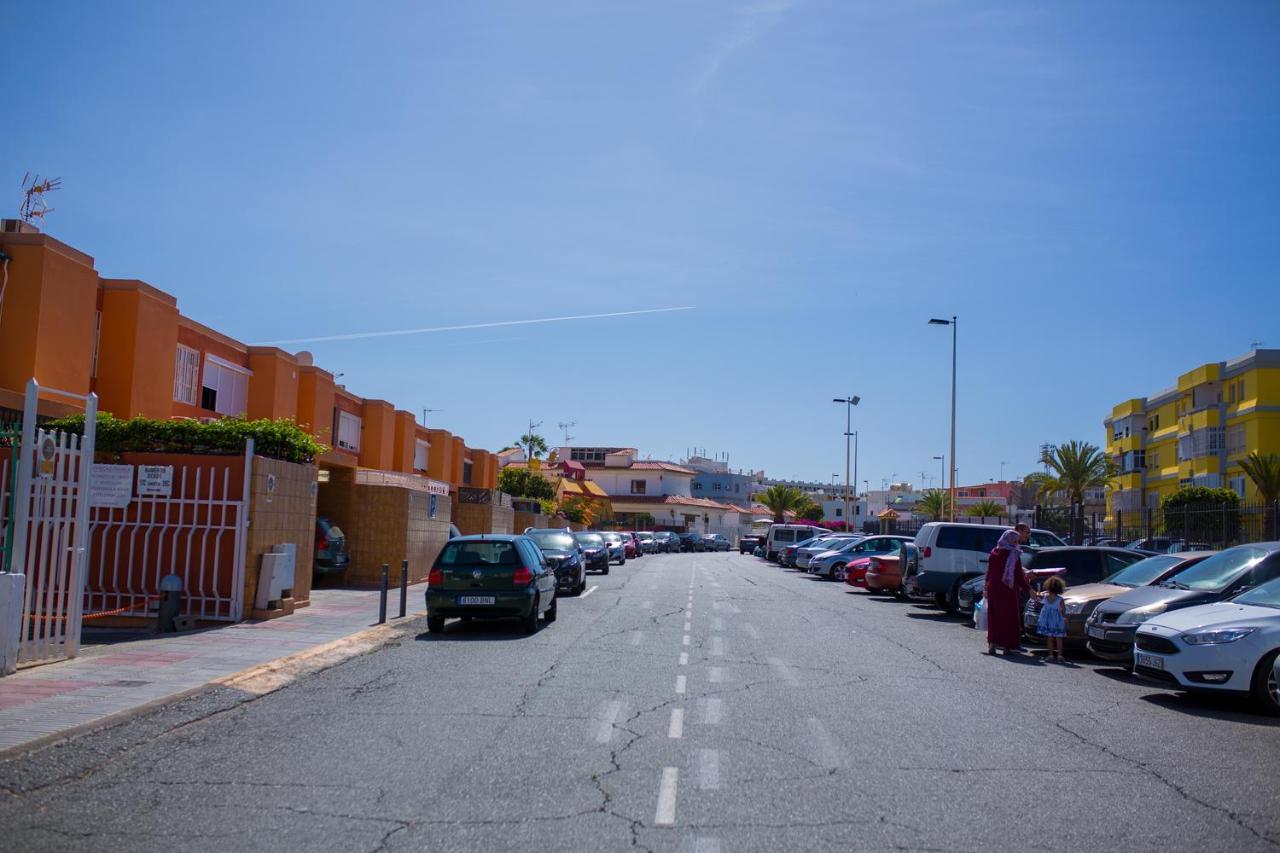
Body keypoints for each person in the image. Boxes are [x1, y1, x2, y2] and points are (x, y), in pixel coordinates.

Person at [984, 524, 1031, 655]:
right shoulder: (1014, 553)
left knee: (994, 616)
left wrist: (986, 586)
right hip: (1008, 590)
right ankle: (1007, 645)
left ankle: (992, 643)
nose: (1016, 543)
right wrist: (1029, 590)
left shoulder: (994, 552)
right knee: (1009, 617)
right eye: (1015, 541)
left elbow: (989, 571)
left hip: (994, 588)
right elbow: (1018, 575)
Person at [1037, 575, 1067, 661]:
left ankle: (1050, 655)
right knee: (1059, 638)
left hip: (1047, 621)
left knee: (1049, 638)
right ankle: (1060, 655)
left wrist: (1038, 594)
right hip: (1057, 621)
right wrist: (1064, 618)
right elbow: (1063, 610)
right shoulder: (1060, 599)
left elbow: (1038, 599)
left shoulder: (1045, 597)